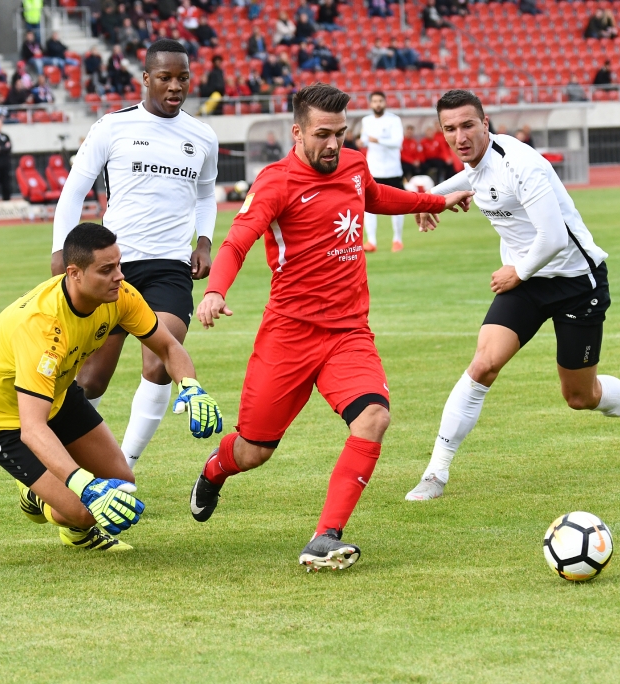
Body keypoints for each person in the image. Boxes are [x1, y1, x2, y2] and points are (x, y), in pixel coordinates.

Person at [189, 83, 473, 571]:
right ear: (297, 133)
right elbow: (237, 241)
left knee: (374, 417)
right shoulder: (275, 183)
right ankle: (215, 469)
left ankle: (325, 536)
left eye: (340, 133)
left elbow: (375, 196)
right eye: (322, 134)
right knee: (254, 450)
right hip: (288, 335)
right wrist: (215, 290)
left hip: (348, 333)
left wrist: (432, 203)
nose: (333, 144)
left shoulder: (354, 165)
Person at [405, 90, 620, 502]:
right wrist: (430, 199)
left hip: (575, 282)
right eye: (450, 129)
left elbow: (554, 237)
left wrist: (517, 271)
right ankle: (436, 472)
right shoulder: (479, 161)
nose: (460, 136)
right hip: (526, 283)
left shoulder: (522, 164)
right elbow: (471, 177)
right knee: (483, 365)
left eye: (468, 125)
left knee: (579, 396)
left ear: (485, 124)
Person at [0, 223, 221, 552]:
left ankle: (73, 528)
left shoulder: (121, 296)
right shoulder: (43, 326)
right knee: (85, 508)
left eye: (119, 265)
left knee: (121, 484)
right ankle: (37, 498)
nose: (120, 276)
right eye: (106, 269)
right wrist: (84, 485)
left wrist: (191, 386)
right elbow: (32, 427)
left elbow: (168, 347)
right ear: (75, 273)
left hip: (56, 391)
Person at [50, 39, 220, 471]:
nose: (175, 86)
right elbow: (74, 190)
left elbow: (206, 195)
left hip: (170, 267)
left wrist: (204, 241)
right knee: (90, 381)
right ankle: (69, 463)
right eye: (165, 77)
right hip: (114, 267)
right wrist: (60, 249)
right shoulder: (113, 127)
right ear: (146, 78)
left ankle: (123, 467)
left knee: (161, 362)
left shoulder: (202, 136)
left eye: (182, 78)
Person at [358, 91, 405, 252]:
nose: (378, 104)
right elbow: (365, 139)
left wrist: (377, 140)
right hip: (373, 169)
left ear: (385, 102)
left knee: (397, 206)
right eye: (375, 101)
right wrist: (362, 141)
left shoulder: (394, 120)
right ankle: (371, 241)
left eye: (380, 101)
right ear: (370, 104)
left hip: (393, 170)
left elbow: (397, 142)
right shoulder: (366, 120)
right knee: (369, 206)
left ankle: (397, 240)